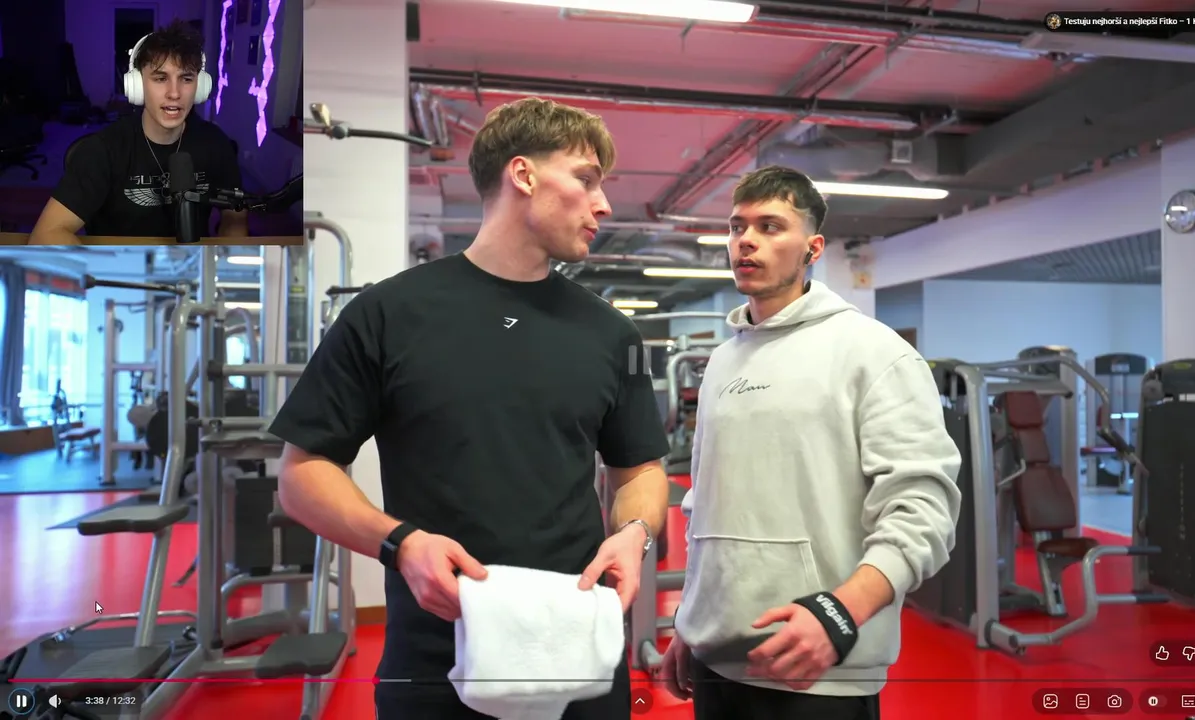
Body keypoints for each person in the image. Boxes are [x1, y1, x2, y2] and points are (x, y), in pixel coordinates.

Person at [268, 97, 672, 720]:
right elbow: (302, 474)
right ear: (524, 174)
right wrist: (400, 543)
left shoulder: (611, 333)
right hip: (436, 659)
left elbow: (639, 469)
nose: (604, 205)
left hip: (576, 646)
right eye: (586, 180)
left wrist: (635, 533)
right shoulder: (388, 314)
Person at [660, 165, 963, 719]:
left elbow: (924, 509)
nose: (746, 240)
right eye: (737, 226)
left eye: (771, 226)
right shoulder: (723, 360)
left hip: (819, 669)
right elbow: (705, 502)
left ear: (813, 248)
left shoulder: (874, 352)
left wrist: (839, 614)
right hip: (714, 660)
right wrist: (692, 620)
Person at [28, 20, 246, 244]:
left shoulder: (216, 143)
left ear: (200, 87)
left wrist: (225, 255)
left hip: (189, 262)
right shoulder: (103, 149)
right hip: (121, 264)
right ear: (137, 86)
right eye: (160, 78)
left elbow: (235, 217)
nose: (174, 93)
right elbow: (46, 234)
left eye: (186, 79)